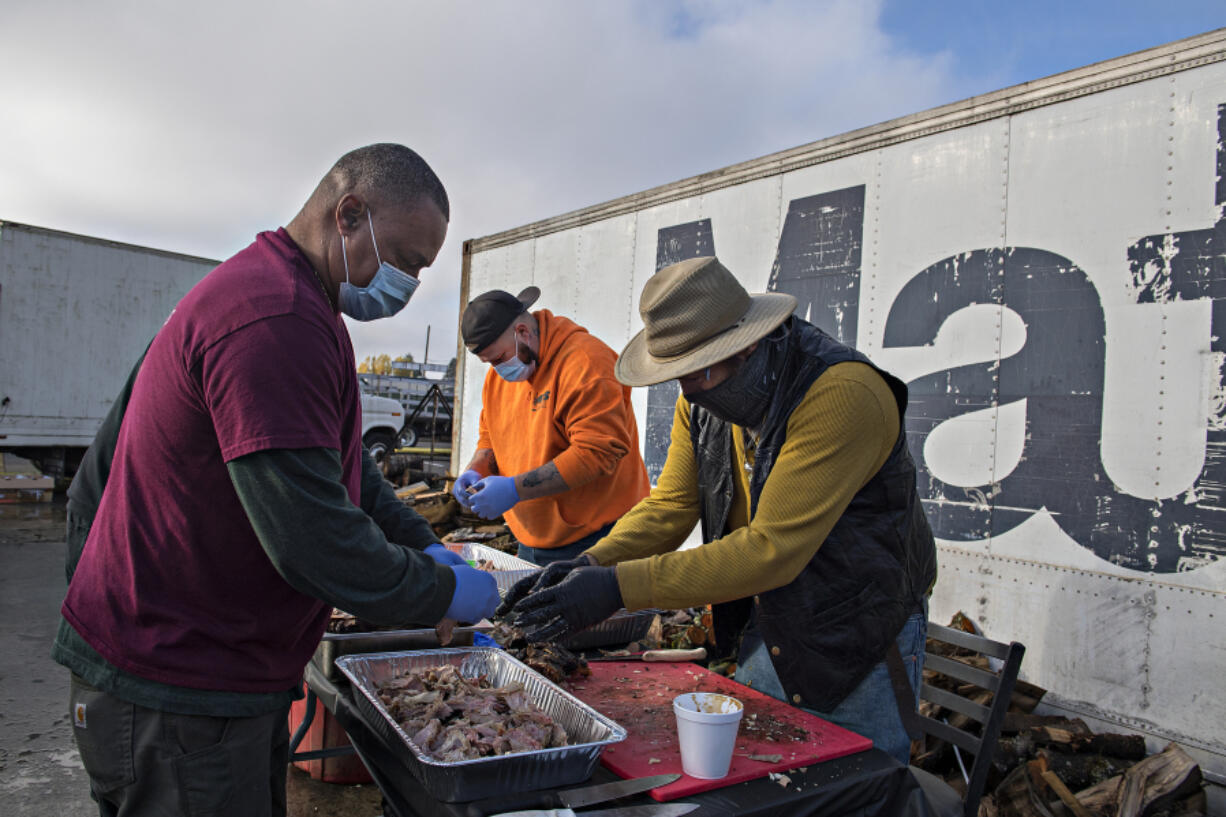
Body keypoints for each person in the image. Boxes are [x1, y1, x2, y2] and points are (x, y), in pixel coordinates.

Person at [53, 144, 499, 816]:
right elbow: (313, 540)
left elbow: (350, 477)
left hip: (204, 673)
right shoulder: (275, 319)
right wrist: (437, 592)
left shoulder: (286, 299)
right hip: (177, 687)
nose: (407, 283)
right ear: (349, 213)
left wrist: (425, 543)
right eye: (407, 260)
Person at [501, 256, 938, 764]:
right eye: (677, 375)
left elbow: (771, 551)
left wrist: (619, 587)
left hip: (860, 629)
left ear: (747, 344)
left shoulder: (841, 394)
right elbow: (672, 504)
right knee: (767, 780)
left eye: (697, 372)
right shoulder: (708, 398)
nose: (685, 391)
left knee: (857, 783)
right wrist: (592, 563)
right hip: (773, 621)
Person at [451, 286, 650, 565]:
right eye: (488, 363)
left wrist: (514, 490)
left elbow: (596, 454)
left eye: (497, 359)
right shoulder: (498, 378)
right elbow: (490, 436)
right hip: (532, 540)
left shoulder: (585, 363)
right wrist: (475, 469)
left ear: (522, 332)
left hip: (600, 539)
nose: (496, 369)